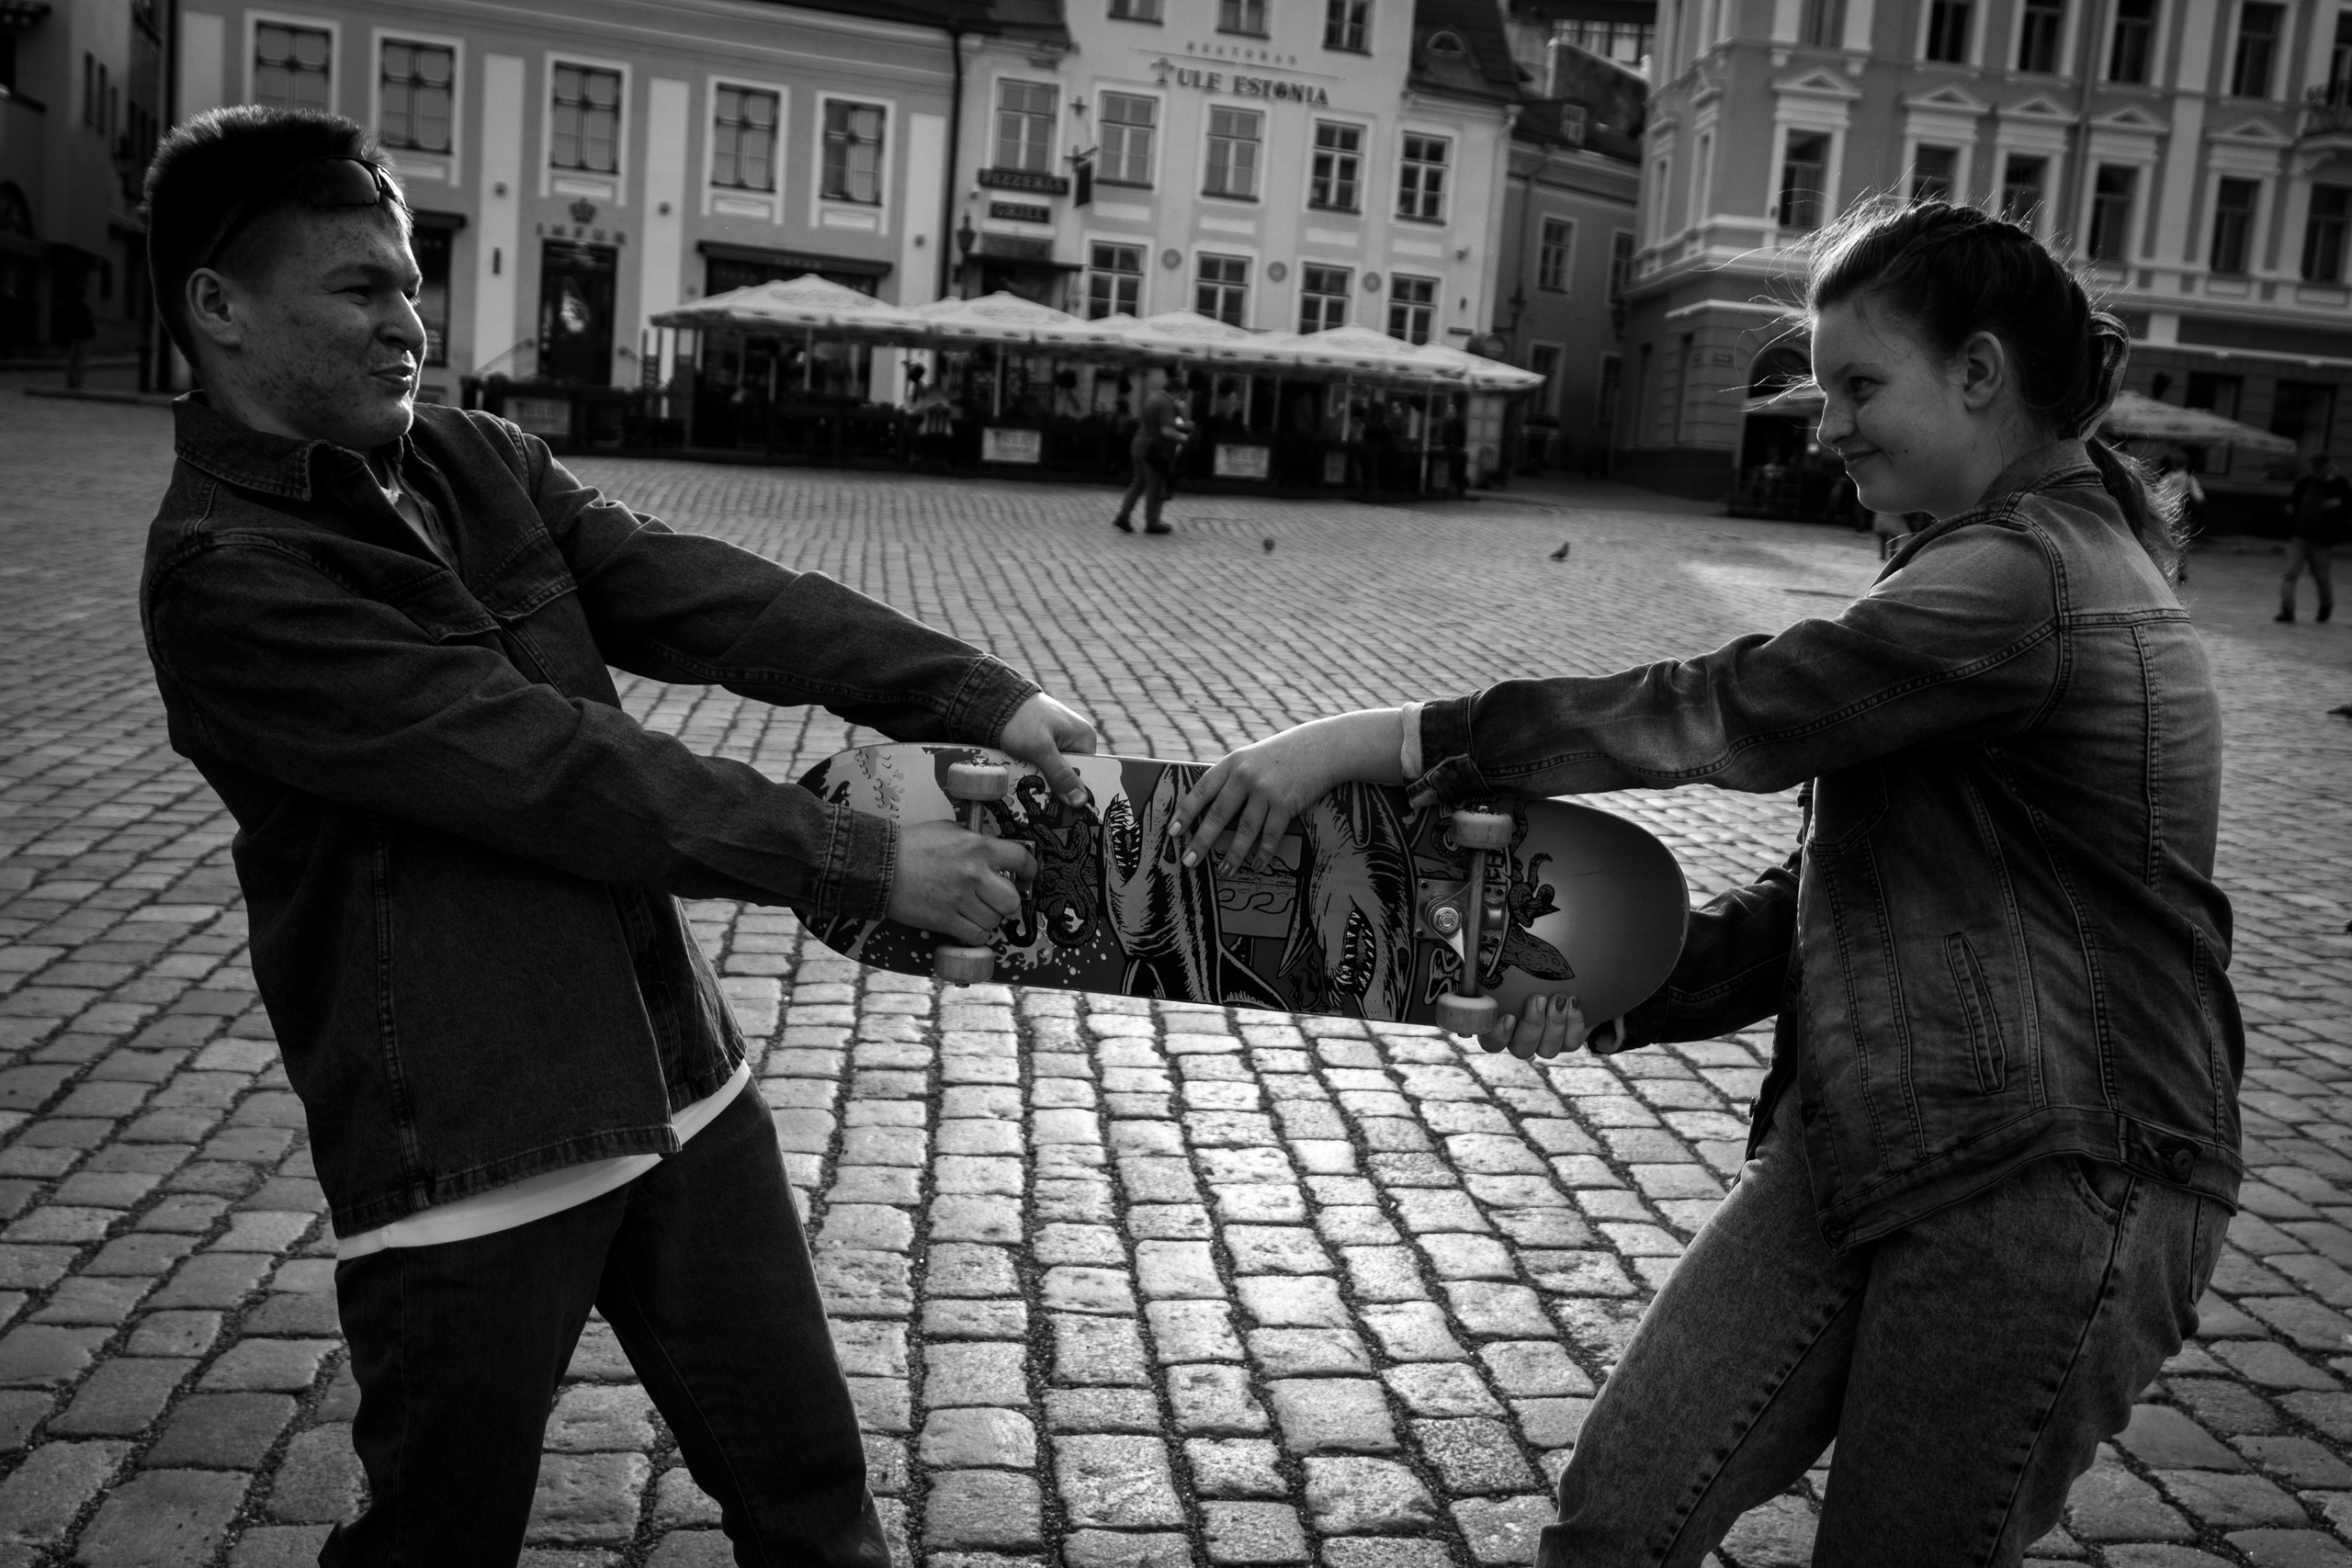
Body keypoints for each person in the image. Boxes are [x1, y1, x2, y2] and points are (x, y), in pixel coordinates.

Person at [1167, 199, 2238, 1567]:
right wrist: (1610, 989)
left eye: (1860, 384)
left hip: (2054, 1175)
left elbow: (1732, 706)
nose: (1827, 421)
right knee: (1619, 1517)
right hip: (1867, 1139)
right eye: (1822, 384)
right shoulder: (1983, 560)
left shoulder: (2032, 575)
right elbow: (1832, 902)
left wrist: (1385, 737)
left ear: (1978, 373)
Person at [137, 106, 1097, 1567]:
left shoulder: (468, 458)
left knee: (820, 1511)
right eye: (361, 288)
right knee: (438, 1547)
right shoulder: (228, 575)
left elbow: (706, 593)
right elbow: (548, 766)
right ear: (218, 308)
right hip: (474, 1133)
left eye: (411, 282)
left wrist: (981, 694)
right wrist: (859, 858)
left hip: (679, 1076)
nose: (412, 321)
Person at [1112, 363, 1189, 535]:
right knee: (1154, 486)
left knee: (1137, 483)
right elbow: (1166, 430)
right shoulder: (1165, 403)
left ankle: (1123, 516)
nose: (1179, 398)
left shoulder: (1153, 397)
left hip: (1138, 445)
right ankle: (1152, 521)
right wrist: (1183, 437)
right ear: (1175, 391)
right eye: (1179, 395)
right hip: (1151, 450)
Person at [2278, 451, 2351, 622]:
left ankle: (2325, 607)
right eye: (2324, 467)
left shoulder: (2339, 484)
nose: (2328, 470)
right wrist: (2290, 509)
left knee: (2321, 576)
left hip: (2321, 540)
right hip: (2299, 537)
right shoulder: (2305, 482)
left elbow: (2348, 504)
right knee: (2290, 573)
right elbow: (2292, 500)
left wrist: (2338, 503)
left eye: (2328, 467)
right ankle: (2287, 610)